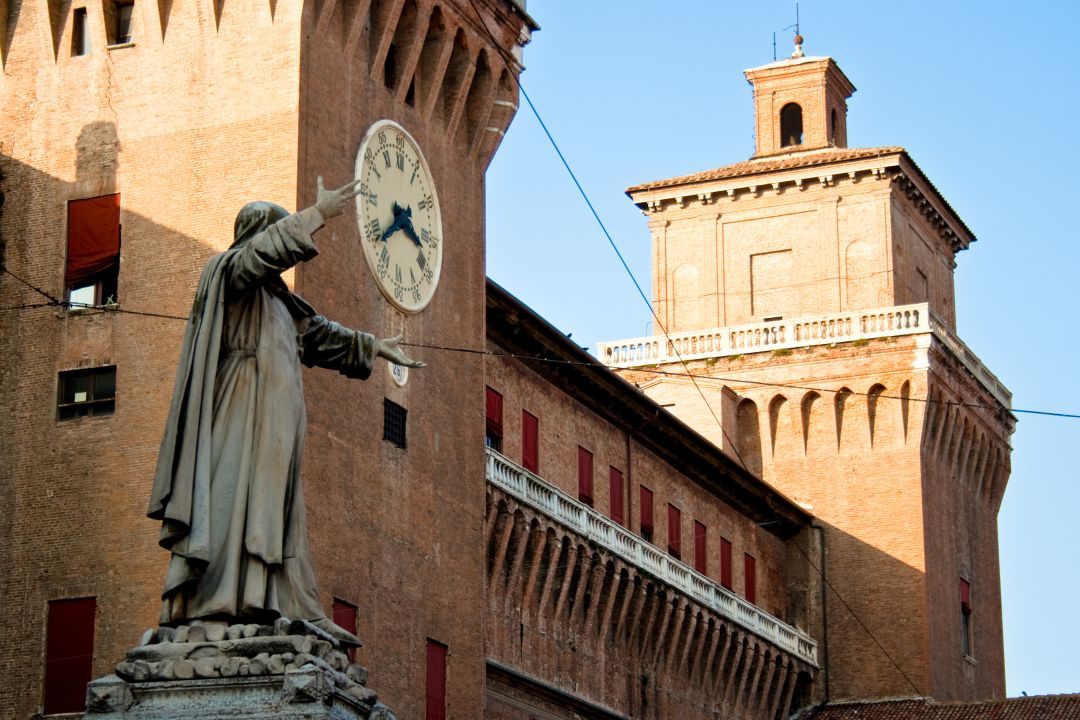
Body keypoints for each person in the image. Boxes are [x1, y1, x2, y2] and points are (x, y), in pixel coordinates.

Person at [147, 177, 423, 645]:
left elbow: (320, 335)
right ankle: (216, 604)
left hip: (277, 419)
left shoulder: (280, 303)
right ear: (260, 234)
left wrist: (374, 346)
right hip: (240, 408)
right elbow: (259, 258)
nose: (284, 255)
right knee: (232, 500)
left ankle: (278, 602)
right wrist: (317, 215)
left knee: (276, 511)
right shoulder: (229, 274)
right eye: (278, 232)